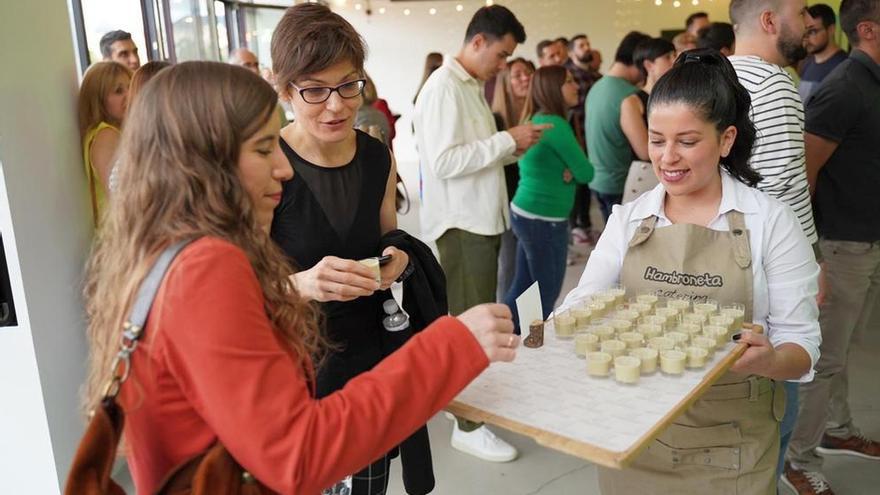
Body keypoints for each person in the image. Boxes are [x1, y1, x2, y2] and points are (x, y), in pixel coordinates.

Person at [83, 59, 519, 495]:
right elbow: (298, 456)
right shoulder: (207, 268)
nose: (285, 168)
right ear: (203, 162)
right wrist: (452, 347)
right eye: (262, 148)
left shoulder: (162, 254)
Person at [563, 48, 820, 495]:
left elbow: (802, 345)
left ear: (725, 140)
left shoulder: (770, 221)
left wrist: (773, 359)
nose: (667, 158)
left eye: (687, 141)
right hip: (634, 435)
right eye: (657, 139)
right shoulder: (630, 219)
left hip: (729, 447)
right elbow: (582, 303)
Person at [267, 6, 430, 493]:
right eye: (314, 90)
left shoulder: (377, 155)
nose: (336, 106)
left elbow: (387, 235)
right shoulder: (265, 165)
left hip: (366, 356)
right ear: (283, 88)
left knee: (368, 484)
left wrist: (398, 260)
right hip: (293, 363)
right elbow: (231, 287)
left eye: (348, 85)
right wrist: (302, 283)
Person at [413, 4, 545, 463]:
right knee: (473, 324)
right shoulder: (443, 88)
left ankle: (463, 404)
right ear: (477, 42)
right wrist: (508, 139)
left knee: (476, 317)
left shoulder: (467, 86)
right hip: (463, 224)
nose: (504, 65)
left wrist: (512, 145)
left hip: (479, 219)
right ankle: (469, 424)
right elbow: (445, 162)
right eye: (503, 54)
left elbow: (472, 156)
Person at [785, 1, 880, 493]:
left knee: (841, 351)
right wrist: (814, 253)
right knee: (824, 359)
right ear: (868, 29)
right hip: (842, 244)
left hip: (867, 240)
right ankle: (795, 458)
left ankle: (837, 431)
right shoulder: (844, 88)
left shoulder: (869, 83)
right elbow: (804, 172)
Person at [729, 1, 822, 478]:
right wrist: (812, 266)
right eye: (802, 12)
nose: (809, 22)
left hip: (720, 263)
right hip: (768, 266)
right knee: (773, 405)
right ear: (769, 21)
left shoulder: (713, 76)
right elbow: (788, 191)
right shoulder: (775, 85)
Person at [503, 65, 593, 329]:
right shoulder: (557, 126)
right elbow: (587, 172)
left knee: (523, 287)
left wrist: (569, 170)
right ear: (553, 88)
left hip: (525, 213)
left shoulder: (535, 117)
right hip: (544, 220)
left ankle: (503, 338)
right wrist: (572, 171)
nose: (575, 86)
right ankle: (531, 350)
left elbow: (574, 170)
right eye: (568, 81)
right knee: (544, 294)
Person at [584, 31, 651, 222]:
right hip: (619, 183)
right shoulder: (628, 95)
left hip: (597, 179)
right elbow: (645, 151)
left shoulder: (597, 86)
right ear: (640, 61)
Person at [491, 57, 536, 301]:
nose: (525, 78)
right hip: (509, 202)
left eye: (528, 73)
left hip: (536, 202)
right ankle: (506, 322)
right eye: (517, 74)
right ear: (506, 82)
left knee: (532, 267)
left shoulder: (539, 116)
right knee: (510, 266)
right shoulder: (496, 119)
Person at [621, 37, 675, 203]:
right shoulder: (632, 102)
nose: (674, 61)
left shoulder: (677, 97)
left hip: (674, 175)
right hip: (647, 178)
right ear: (648, 65)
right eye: (667, 57)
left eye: (674, 55)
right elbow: (644, 151)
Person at [78, 61, 132, 225]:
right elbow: (122, 197)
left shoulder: (101, 133)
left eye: (130, 87)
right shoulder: (106, 135)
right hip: (120, 237)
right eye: (118, 91)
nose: (129, 95)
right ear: (98, 100)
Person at [565, 34, 602, 245]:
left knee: (587, 184)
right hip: (576, 136)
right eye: (581, 45)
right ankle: (575, 226)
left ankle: (586, 224)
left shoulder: (596, 76)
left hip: (592, 138)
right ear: (572, 52)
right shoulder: (569, 76)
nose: (587, 48)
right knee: (576, 185)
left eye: (587, 44)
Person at [799, 4, 849, 104]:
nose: (807, 38)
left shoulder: (844, 67)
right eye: (804, 32)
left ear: (831, 29)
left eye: (812, 31)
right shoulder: (807, 64)